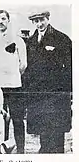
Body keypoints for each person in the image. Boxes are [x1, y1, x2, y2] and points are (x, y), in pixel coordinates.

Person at [23, 10, 72, 153]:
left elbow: (69, 67)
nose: (39, 24)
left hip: (56, 92)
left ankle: (57, 154)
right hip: (39, 93)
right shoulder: (31, 41)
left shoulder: (61, 39)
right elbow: (29, 68)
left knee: (57, 127)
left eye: (41, 20)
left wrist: (67, 92)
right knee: (43, 125)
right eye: (36, 21)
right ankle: (45, 151)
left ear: (48, 19)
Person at [0, 10, 27, 153]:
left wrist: (13, 75)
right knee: (0, 118)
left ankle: (21, 150)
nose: (1, 21)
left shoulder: (18, 40)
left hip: (15, 86)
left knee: (17, 119)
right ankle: (0, 149)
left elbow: (23, 64)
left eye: (4, 18)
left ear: (8, 21)